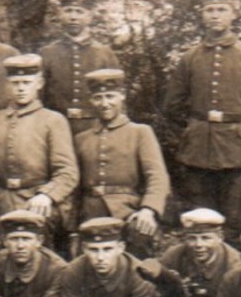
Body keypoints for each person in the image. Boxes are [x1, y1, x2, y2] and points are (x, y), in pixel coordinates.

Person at [165, 0, 241, 242]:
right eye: (210, 10)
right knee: (200, 217)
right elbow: (172, 106)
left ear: (233, 13)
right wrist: (191, 131)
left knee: (233, 219)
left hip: (238, 150)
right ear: (202, 15)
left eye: (221, 9)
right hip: (197, 149)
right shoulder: (190, 58)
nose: (215, 15)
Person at [0, 53, 80, 245]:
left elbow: (67, 172)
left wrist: (46, 195)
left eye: (26, 82)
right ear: (7, 84)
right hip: (2, 198)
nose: (21, 88)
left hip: (36, 198)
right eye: (15, 83)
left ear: (39, 83)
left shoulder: (53, 120)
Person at [73, 68, 170, 259]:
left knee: (139, 244)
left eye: (110, 96)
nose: (105, 103)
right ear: (91, 101)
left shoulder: (140, 132)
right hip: (89, 212)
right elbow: (75, 189)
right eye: (98, 97)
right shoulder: (81, 139)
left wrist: (148, 210)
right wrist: (72, 228)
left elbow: (157, 176)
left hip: (128, 211)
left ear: (122, 96)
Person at [53, 216, 161, 297]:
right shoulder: (74, 270)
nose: (100, 257)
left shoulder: (140, 275)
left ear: (120, 248)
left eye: (107, 249)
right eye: (94, 250)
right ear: (84, 249)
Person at [39, 0, 120, 137]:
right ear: (60, 14)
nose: (73, 17)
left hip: (95, 128)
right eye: (68, 10)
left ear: (90, 17)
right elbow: (39, 97)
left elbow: (117, 98)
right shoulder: (47, 53)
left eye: (79, 11)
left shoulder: (104, 53)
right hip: (56, 128)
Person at [155, 208, 241, 297]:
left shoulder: (234, 264)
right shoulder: (175, 254)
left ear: (220, 238)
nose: (199, 245)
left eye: (206, 238)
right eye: (192, 238)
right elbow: (153, 284)